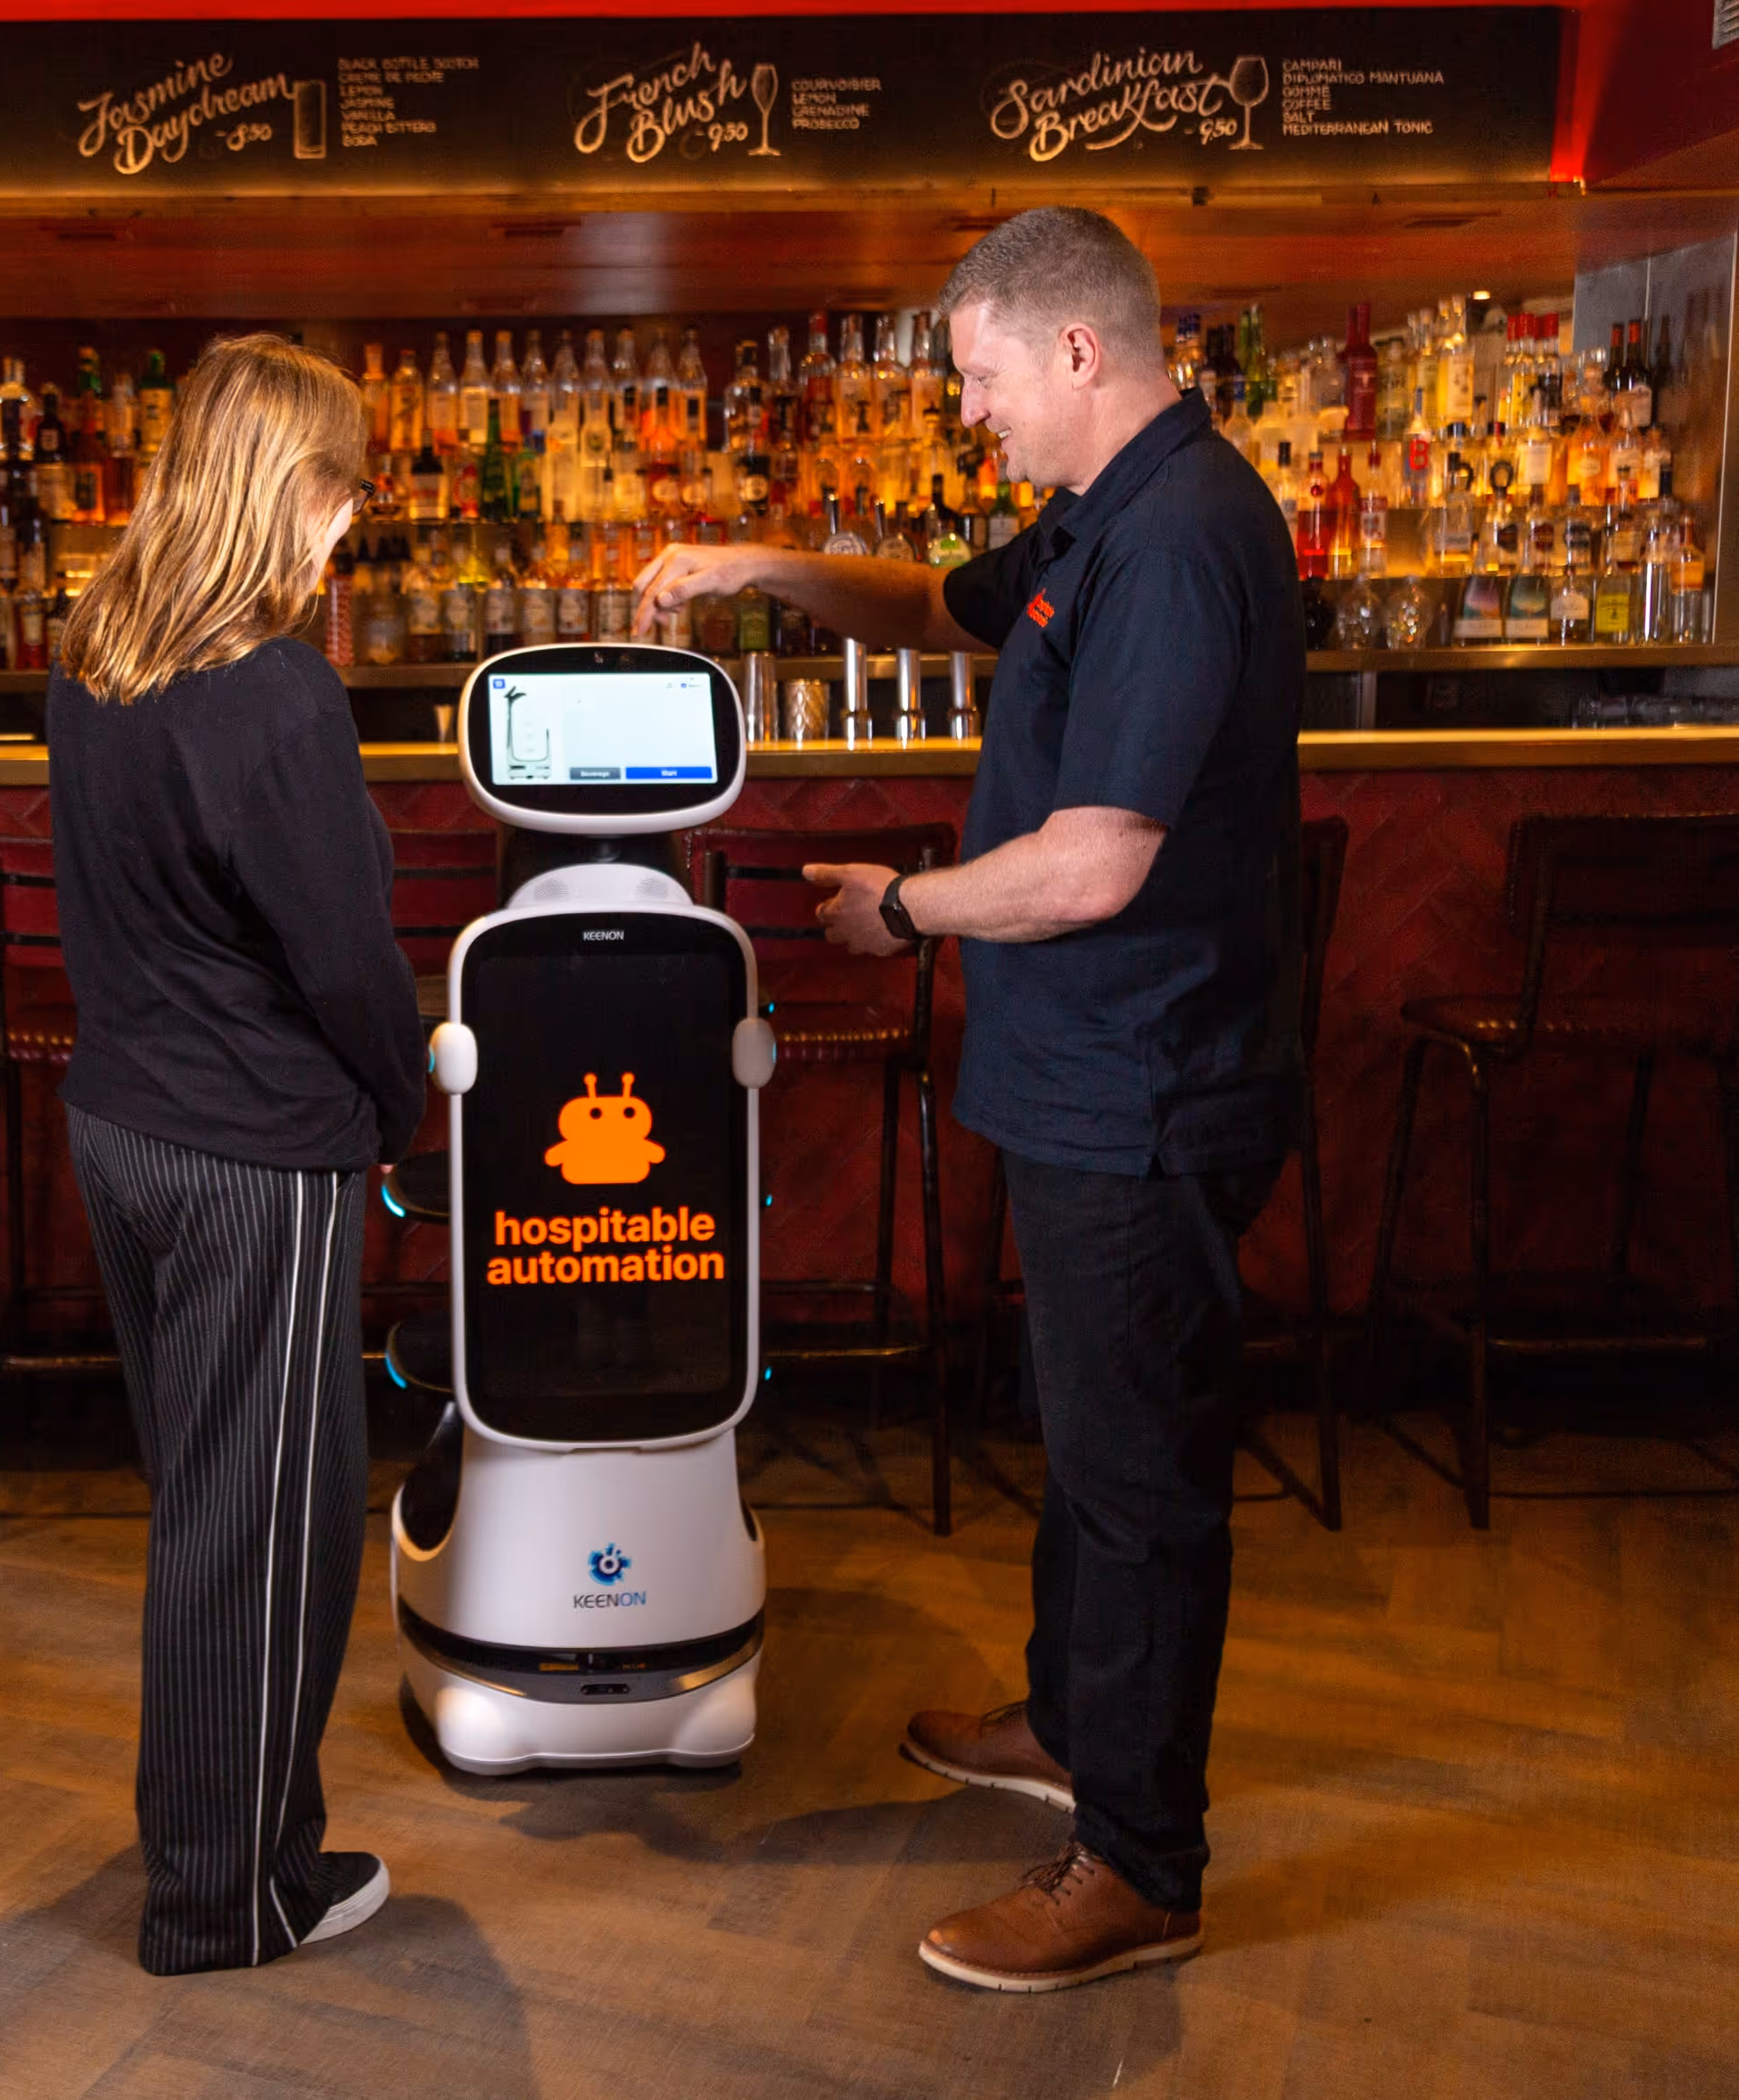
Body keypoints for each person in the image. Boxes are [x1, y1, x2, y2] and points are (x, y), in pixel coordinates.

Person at [634, 209, 1303, 1992]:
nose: (972, 411)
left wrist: (906, 909)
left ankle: (1139, 1865)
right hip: (1088, 1071)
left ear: (1077, 349)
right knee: (1087, 1442)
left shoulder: (1179, 539)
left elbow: (1094, 863)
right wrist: (754, 564)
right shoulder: (1100, 511)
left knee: (1140, 1477)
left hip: (1148, 1080)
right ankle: (1073, 1724)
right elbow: (937, 606)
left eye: (984, 376)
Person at [47, 335, 424, 1976]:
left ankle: (237, 1845)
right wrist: (402, 1101)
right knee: (269, 1533)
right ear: (297, 486)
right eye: (345, 489)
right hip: (252, 1153)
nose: (348, 523)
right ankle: (226, 1897)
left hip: (124, 1127)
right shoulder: (277, 689)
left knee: (211, 1516)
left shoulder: (96, 648)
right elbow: (345, 958)